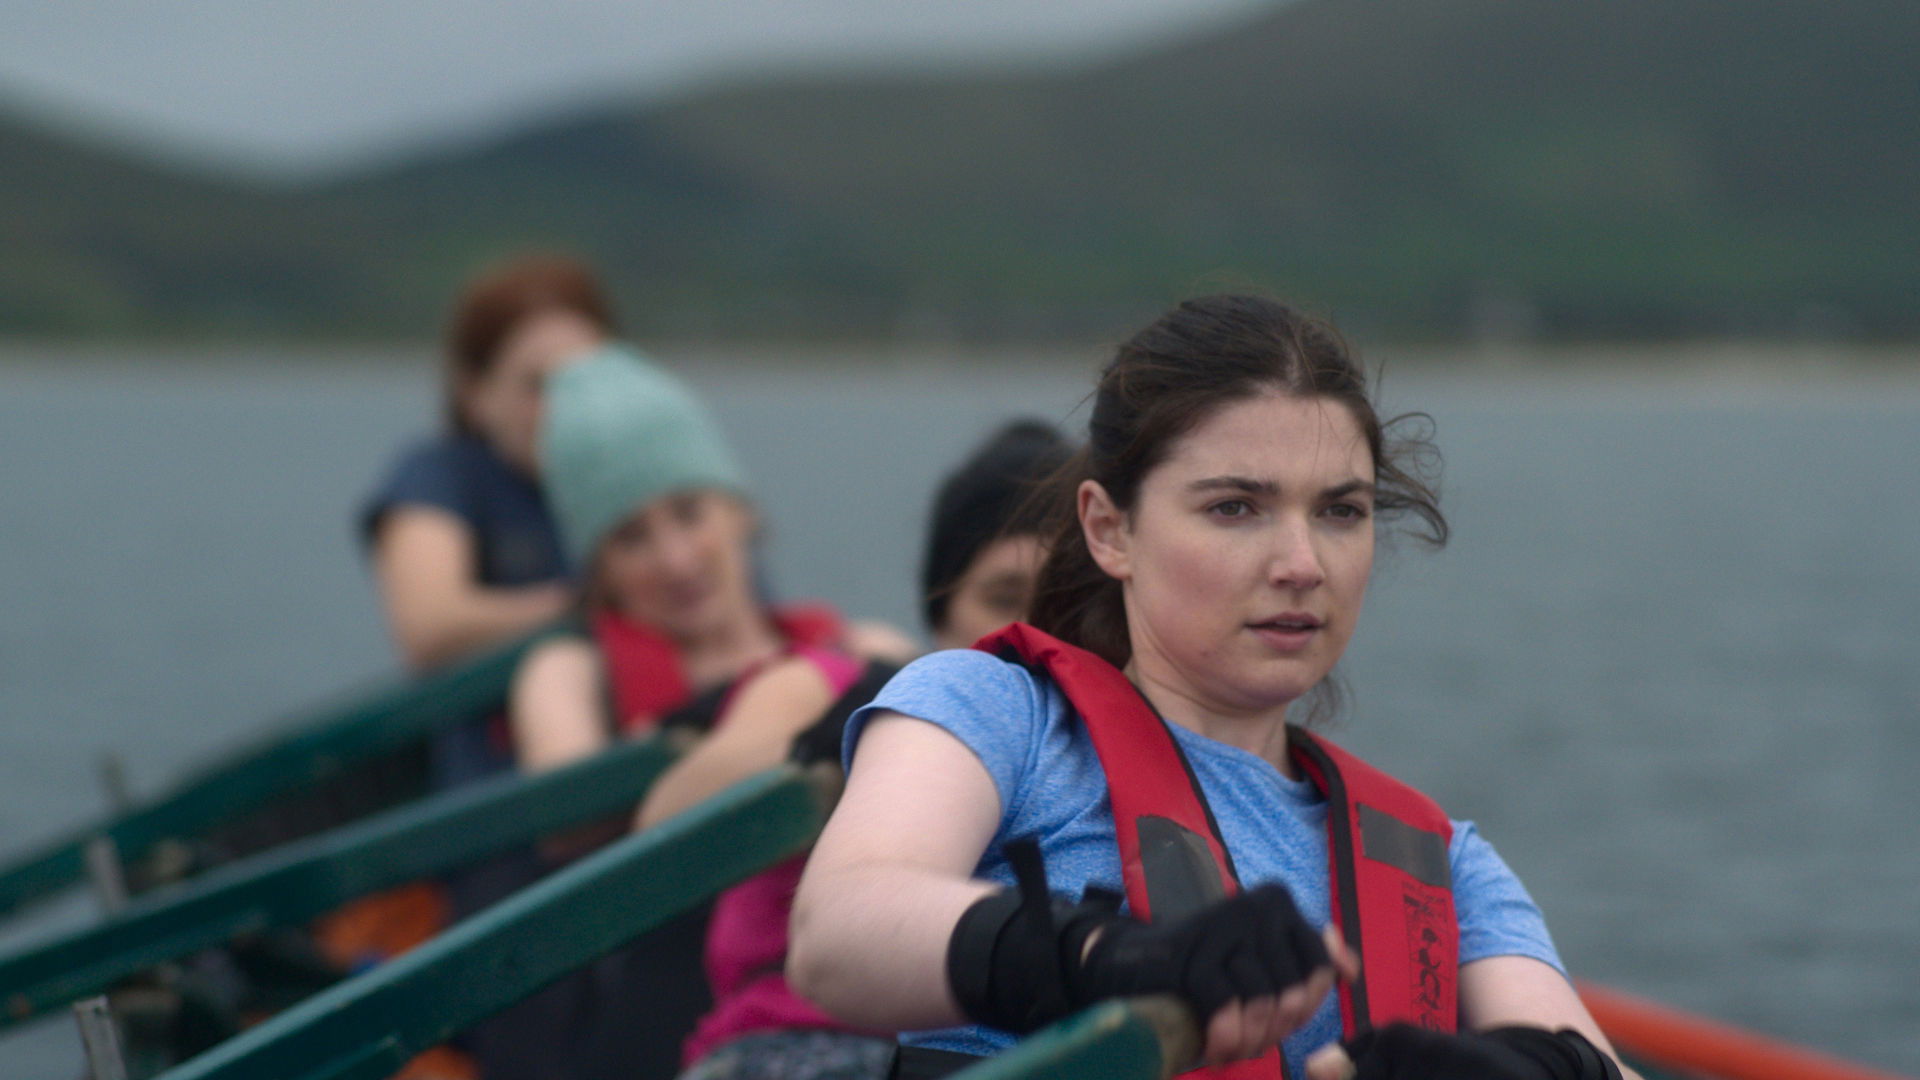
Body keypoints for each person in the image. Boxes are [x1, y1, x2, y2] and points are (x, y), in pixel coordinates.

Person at [789, 296, 1639, 1080]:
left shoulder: (1444, 861)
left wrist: (1531, 1073)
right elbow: (837, 933)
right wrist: (1113, 956)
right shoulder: (991, 715)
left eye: (1340, 511)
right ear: (1109, 529)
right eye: (1236, 507)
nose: (1302, 564)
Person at [468, 343, 877, 1080]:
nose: (677, 559)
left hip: (850, 977)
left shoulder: (858, 645)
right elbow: (568, 822)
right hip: (655, 990)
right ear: (597, 569)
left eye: (690, 514)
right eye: (632, 538)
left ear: (740, 511)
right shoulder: (571, 669)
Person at [634, 419, 1071, 1080]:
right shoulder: (833, 680)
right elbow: (664, 825)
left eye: (1062, 604)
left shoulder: (1106, 747)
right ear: (939, 611)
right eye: (1002, 599)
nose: (1033, 634)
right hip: (789, 1045)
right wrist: (837, 739)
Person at [361, 252, 611, 675]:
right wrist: (581, 606)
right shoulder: (440, 475)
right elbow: (429, 626)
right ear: (475, 393)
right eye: (538, 384)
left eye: (586, 379)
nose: (565, 406)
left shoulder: (641, 482)